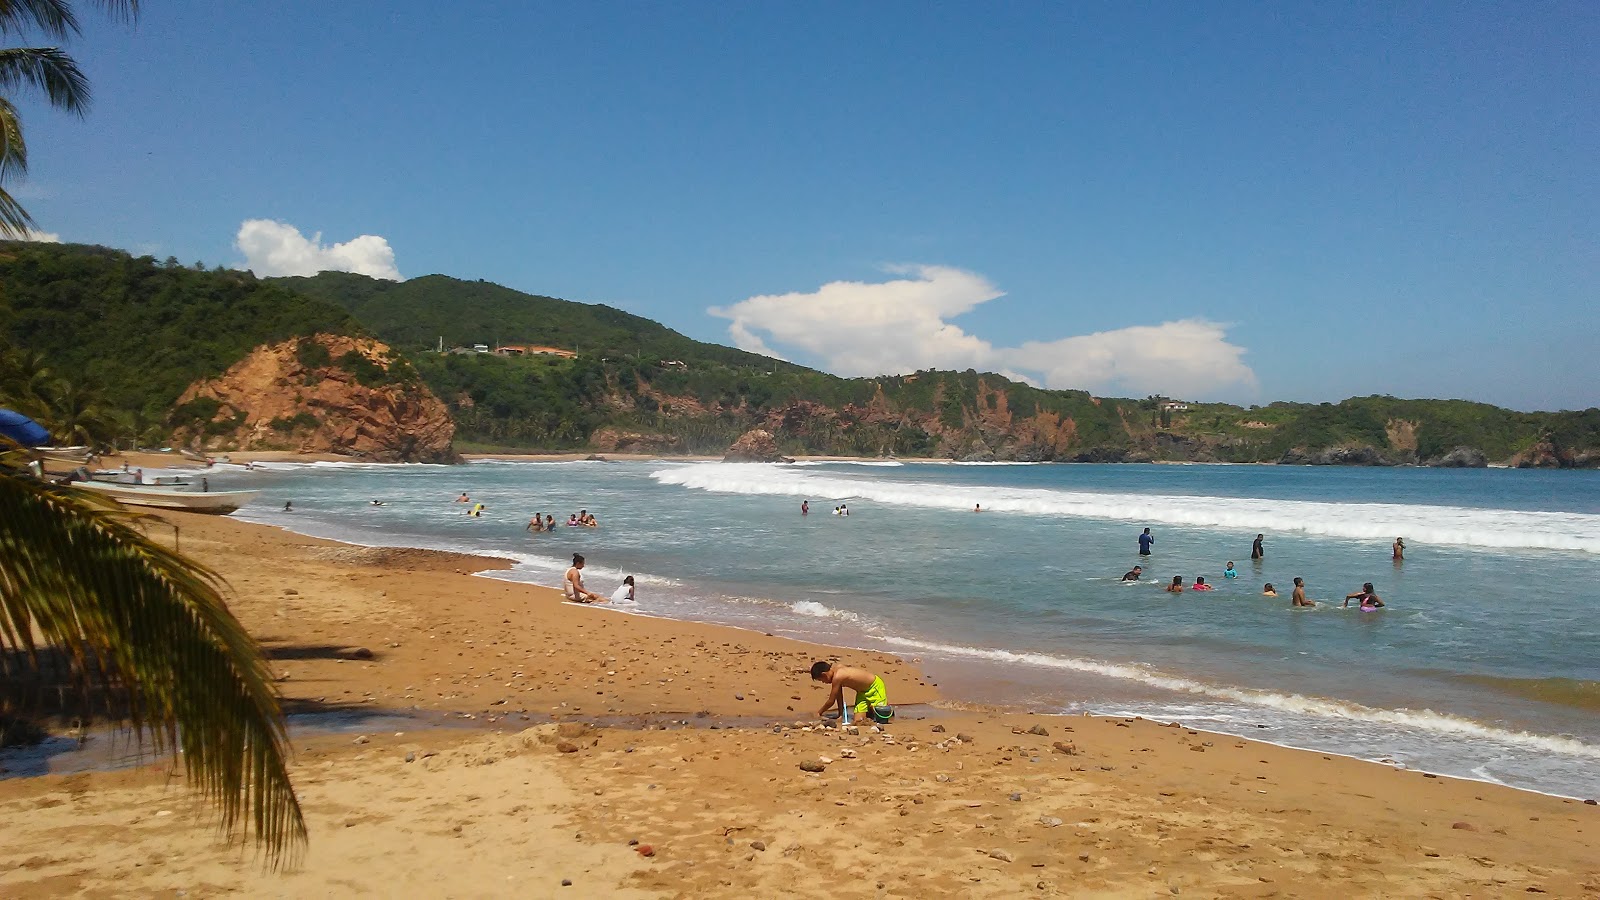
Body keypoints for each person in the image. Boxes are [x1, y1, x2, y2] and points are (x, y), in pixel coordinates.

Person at [811, 661, 891, 725]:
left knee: (881, 716)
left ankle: (884, 709)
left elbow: (831, 700)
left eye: (821, 680)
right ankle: (870, 709)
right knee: (858, 721)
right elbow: (839, 696)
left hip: (874, 687)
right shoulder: (836, 674)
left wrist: (819, 712)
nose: (823, 682)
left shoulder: (838, 676)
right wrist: (841, 715)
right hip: (861, 693)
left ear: (824, 675)